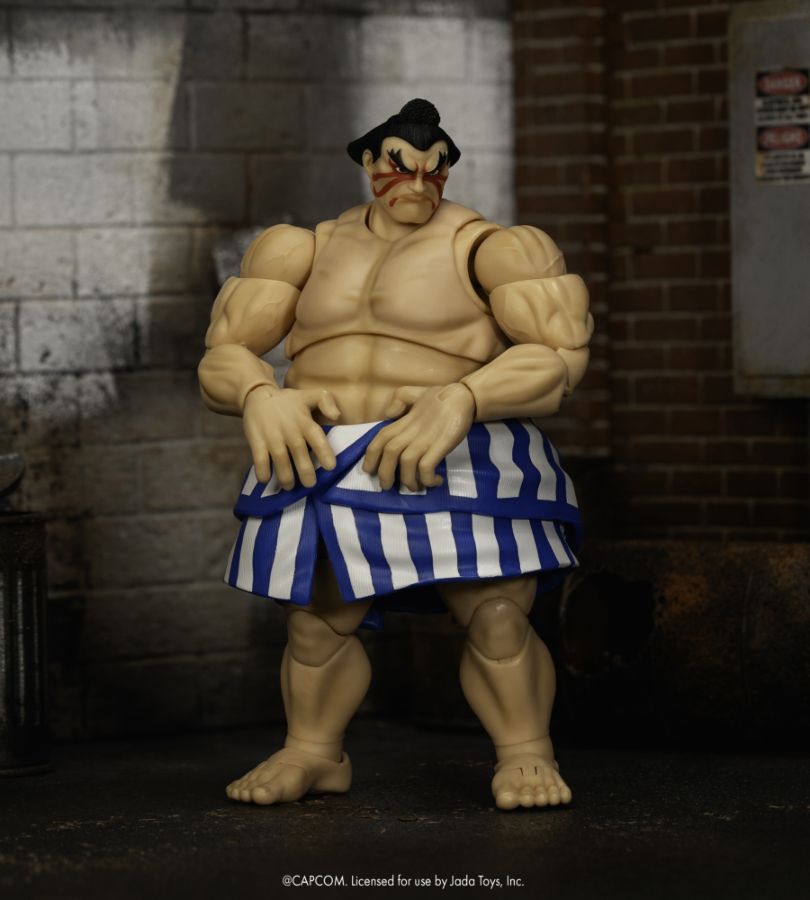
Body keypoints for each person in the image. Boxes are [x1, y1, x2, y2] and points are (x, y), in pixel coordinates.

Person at [198, 99, 592, 810]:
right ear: (369, 162)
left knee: (496, 614)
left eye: (435, 169)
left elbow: (561, 356)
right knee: (316, 621)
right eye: (400, 166)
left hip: (451, 446)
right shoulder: (299, 248)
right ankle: (313, 752)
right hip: (328, 452)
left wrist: (465, 396)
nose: (417, 184)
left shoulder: (494, 247)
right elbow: (223, 354)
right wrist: (260, 394)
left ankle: (526, 754)